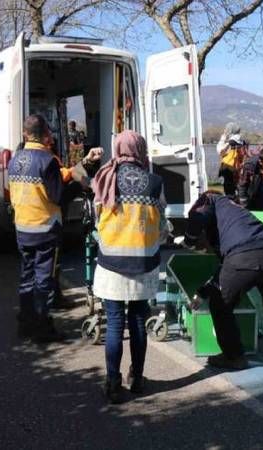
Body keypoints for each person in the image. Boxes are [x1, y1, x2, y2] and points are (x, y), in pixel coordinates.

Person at [9, 114, 102, 343]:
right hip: (45, 229)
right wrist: (79, 187)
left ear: (25, 134)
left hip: (22, 228)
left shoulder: (15, 159)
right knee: (43, 280)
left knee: (26, 277)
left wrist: (82, 165)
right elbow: (58, 196)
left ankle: (25, 325)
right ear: (46, 135)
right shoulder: (46, 160)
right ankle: (42, 328)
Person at [91, 130, 167, 404]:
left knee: (114, 323)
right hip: (143, 264)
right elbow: (162, 227)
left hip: (111, 264)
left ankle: (112, 382)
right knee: (137, 322)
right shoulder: (155, 182)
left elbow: (98, 220)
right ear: (140, 150)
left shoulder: (104, 178)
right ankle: (137, 378)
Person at [183, 192, 263, 370]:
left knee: (220, 304)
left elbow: (197, 216)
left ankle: (234, 357)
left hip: (243, 257)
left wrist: (189, 240)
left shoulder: (209, 199)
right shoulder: (234, 209)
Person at [216, 122, 244, 196]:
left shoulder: (231, 141)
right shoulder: (239, 140)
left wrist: (223, 139)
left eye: (227, 129)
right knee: (236, 187)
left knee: (229, 188)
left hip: (229, 166)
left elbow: (221, 151)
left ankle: (230, 201)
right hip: (236, 167)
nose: (225, 130)